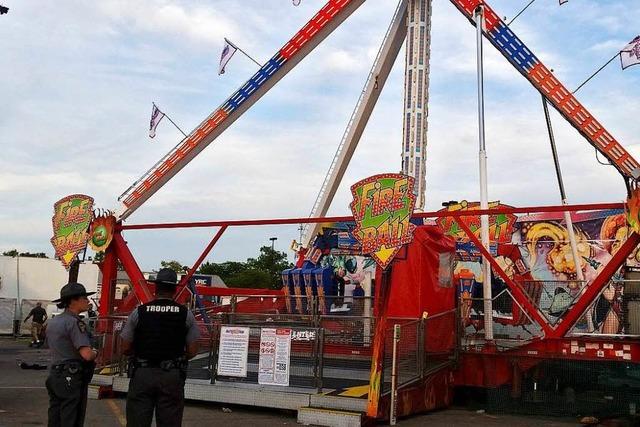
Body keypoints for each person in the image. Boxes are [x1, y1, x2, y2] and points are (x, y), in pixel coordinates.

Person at [121, 268, 200, 427]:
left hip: (142, 374)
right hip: (171, 375)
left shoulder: (139, 312)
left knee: (137, 420)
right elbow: (192, 350)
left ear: (156, 288)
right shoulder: (186, 314)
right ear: (174, 289)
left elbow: (125, 346)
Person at [45, 282, 98, 427]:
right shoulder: (74, 323)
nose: (87, 301)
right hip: (71, 375)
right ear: (73, 300)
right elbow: (86, 354)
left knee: (55, 417)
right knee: (71, 418)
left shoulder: (54, 321)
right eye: (84, 298)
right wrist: (95, 352)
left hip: (55, 374)